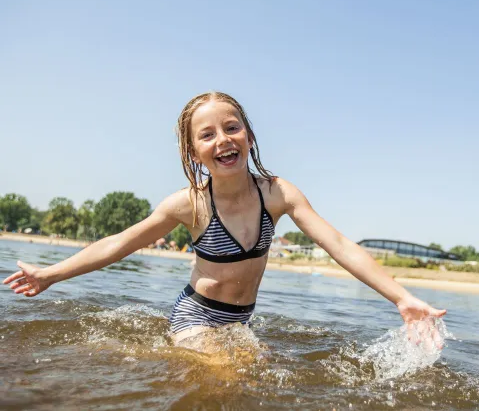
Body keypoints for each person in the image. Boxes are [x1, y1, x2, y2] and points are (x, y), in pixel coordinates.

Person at [3, 91, 446, 346]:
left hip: (241, 321)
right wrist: (49, 274)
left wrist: (401, 298)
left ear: (249, 137)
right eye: (207, 134)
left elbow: (341, 246)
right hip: (194, 315)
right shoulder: (189, 204)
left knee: (253, 370)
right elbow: (119, 243)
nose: (223, 140)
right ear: (193, 151)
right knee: (232, 377)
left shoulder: (278, 194)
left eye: (232, 127)